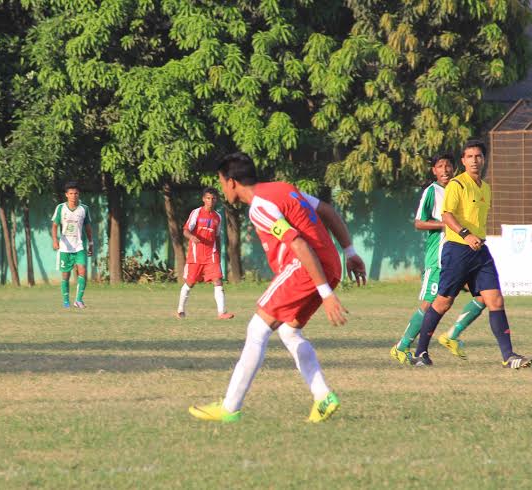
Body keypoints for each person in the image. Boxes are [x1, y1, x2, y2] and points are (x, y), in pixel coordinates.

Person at [189, 152, 367, 424]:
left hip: (304, 268)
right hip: (329, 264)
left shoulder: (259, 207)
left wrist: (326, 295)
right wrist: (350, 251)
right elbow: (328, 212)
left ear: (232, 182)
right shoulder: (284, 188)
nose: (222, 188)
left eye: (222, 182)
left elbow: (298, 244)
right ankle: (323, 397)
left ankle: (230, 407)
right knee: (289, 331)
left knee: (256, 329)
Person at [412, 141, 531, 368]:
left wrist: (475, 237)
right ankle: (420, 353)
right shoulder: (457, 184)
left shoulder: (485, 188)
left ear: (484, 160)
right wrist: (466, 234)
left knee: (495, 299)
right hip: (457, 249)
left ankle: (508, 356)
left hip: (479, 251)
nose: (474, 160)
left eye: (478, 156)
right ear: (463, 161)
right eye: (469, 156)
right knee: (443, 302)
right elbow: (447, 215)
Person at [390, 154, 485, 364]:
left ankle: (452, 336)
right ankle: (402, 346)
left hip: (463, 255)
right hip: (439, 257)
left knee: (485, 296)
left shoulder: (461, 187)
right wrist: (446, 223)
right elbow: (418, 223)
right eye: (440, 166)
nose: (445, 170)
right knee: (430, 304)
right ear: (434, 170)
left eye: (448, 166)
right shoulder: (432, 191)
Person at [176, 187, 234, 319]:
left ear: (216, 200)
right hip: (196, 255)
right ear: (203, 199)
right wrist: (191, 237)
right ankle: (180, 309)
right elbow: (185, 230)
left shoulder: (217, 217)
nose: (211, 201)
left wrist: (218, 254)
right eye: (208, 198)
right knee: (190, 283)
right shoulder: (196, 213)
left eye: (213, 199)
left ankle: (222, 312)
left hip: (211, 255)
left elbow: (217, 237)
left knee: (218, 281)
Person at [51, 182, 93, 308]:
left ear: (78, 194)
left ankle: (78, 300)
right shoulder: (60, 208)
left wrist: (91, 243)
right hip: (64, 247)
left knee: (82, 271)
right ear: (66, 195)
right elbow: (54, 225)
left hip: (79, 246)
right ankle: (65, 301)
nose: (73, 196)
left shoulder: (84, 209)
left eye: (76, 193)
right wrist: (54, 240)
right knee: (65, 275)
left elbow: (88, 227)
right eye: (71, 193)